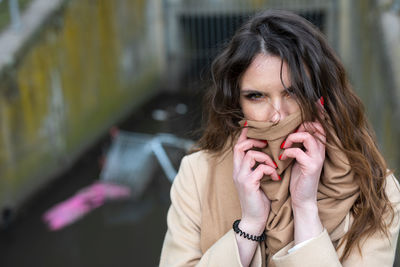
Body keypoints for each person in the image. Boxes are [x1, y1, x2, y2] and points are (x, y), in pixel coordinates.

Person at [159, 9, 400, 267]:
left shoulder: (377, 191)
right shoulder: (198, 174)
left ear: (321, 94)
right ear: (236, 102)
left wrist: (305, 208)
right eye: (256, 96)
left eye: (293, 92)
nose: (277, 115)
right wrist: (249, 226)